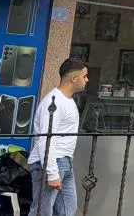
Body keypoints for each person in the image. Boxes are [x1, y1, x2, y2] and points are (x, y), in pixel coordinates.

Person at [27, 58, 88, 216]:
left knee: (68, 209)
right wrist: (52, 172)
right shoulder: (54, 102)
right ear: (74, 78)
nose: (87, 80)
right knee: (42, 210)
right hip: (51, 162)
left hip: (64, 161)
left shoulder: (68, 100)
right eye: (84, 76)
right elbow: (45, 139)